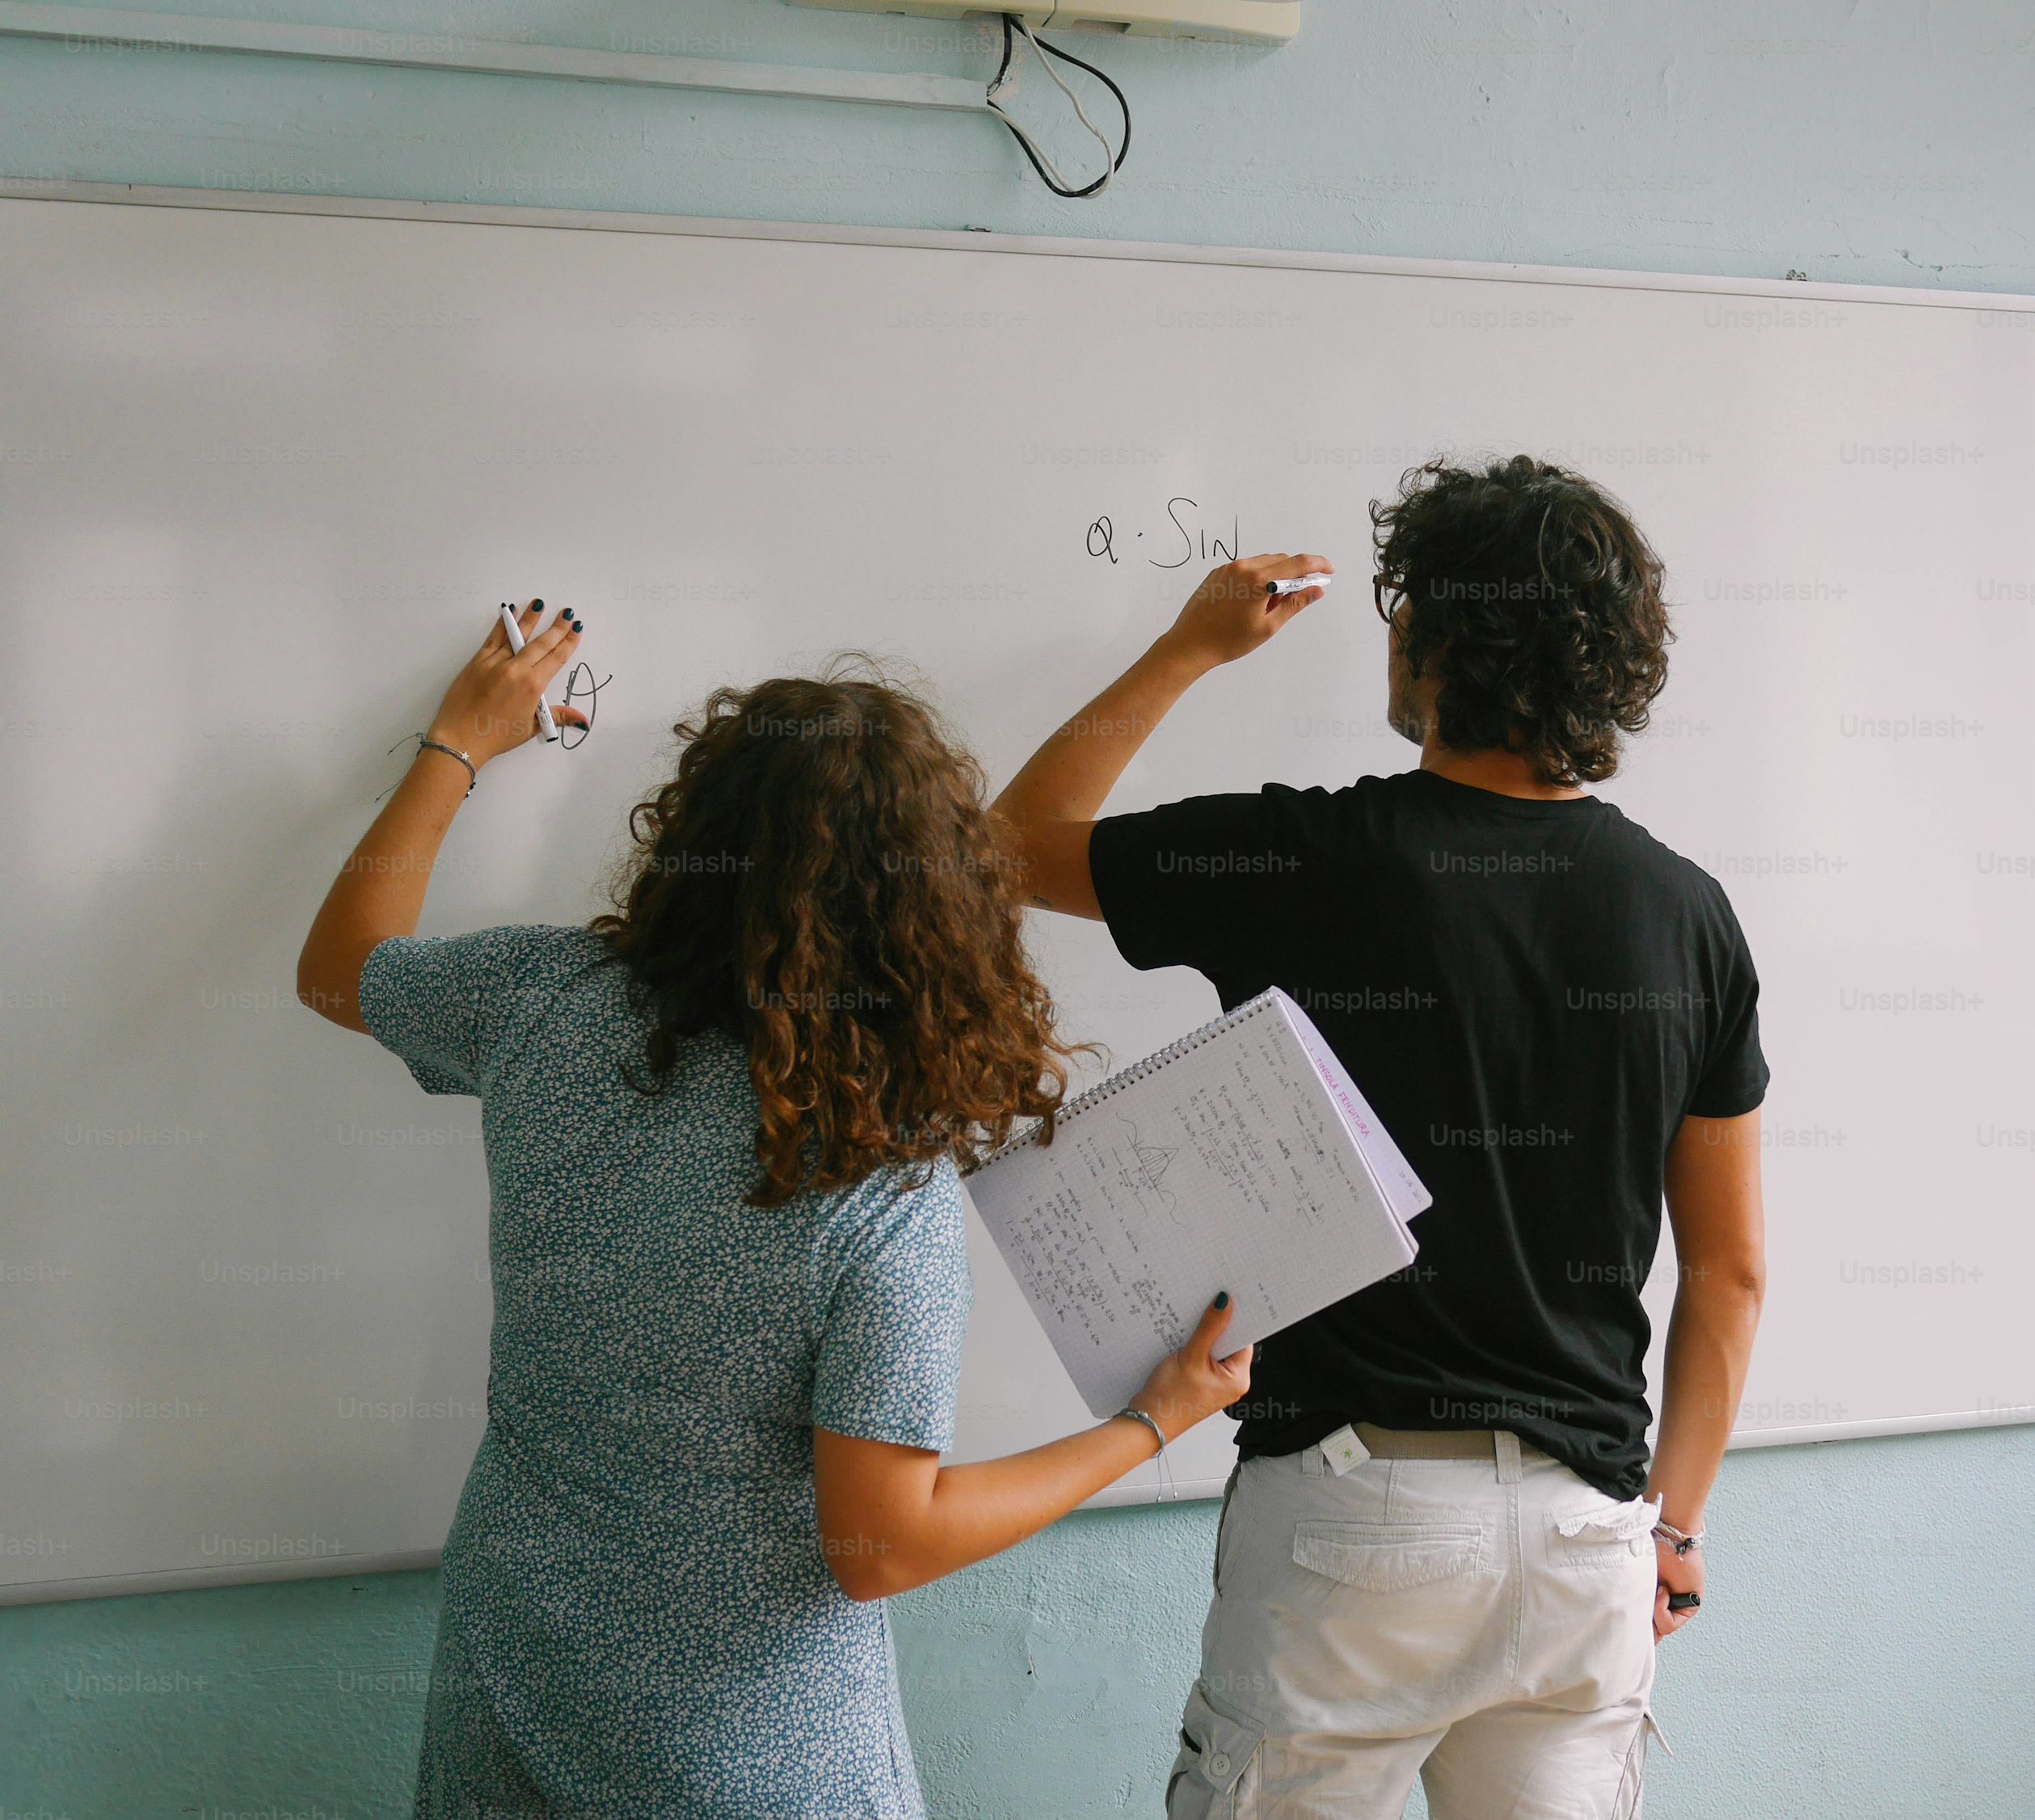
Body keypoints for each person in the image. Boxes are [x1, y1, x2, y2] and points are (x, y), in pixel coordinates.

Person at [296, 604, 1250, 1820]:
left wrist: (457, 745)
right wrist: (1151, 1425)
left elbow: (341, 962)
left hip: (515, 1679)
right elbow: (881, 1548)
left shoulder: (542, 1004)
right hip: (748, 1755)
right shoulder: (875, 1188)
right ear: (932, 914)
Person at [990, 457, 1769, 1819]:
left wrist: (1183, 652)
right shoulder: (1690, 915)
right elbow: (1733, 1275)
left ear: (1441, 638)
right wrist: (1678, 1531)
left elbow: (1003, 846)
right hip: (1591, 1537)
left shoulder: (1311, 859)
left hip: (1357, 1515)